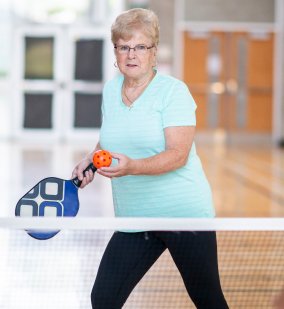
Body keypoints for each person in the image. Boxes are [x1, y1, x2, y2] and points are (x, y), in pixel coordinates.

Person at [72, 8, 229, 309]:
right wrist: (91, 159)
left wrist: (133, 167)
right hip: (136, 218)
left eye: (140, 46)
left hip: (183, 216)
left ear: (154, 52)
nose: (131, 54)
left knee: (208, 300)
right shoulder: (110, 90)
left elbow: (178, 155)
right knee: (103, 298)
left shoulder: (173, 92)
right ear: (115, 51)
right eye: (124, 46)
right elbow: (111, 137)